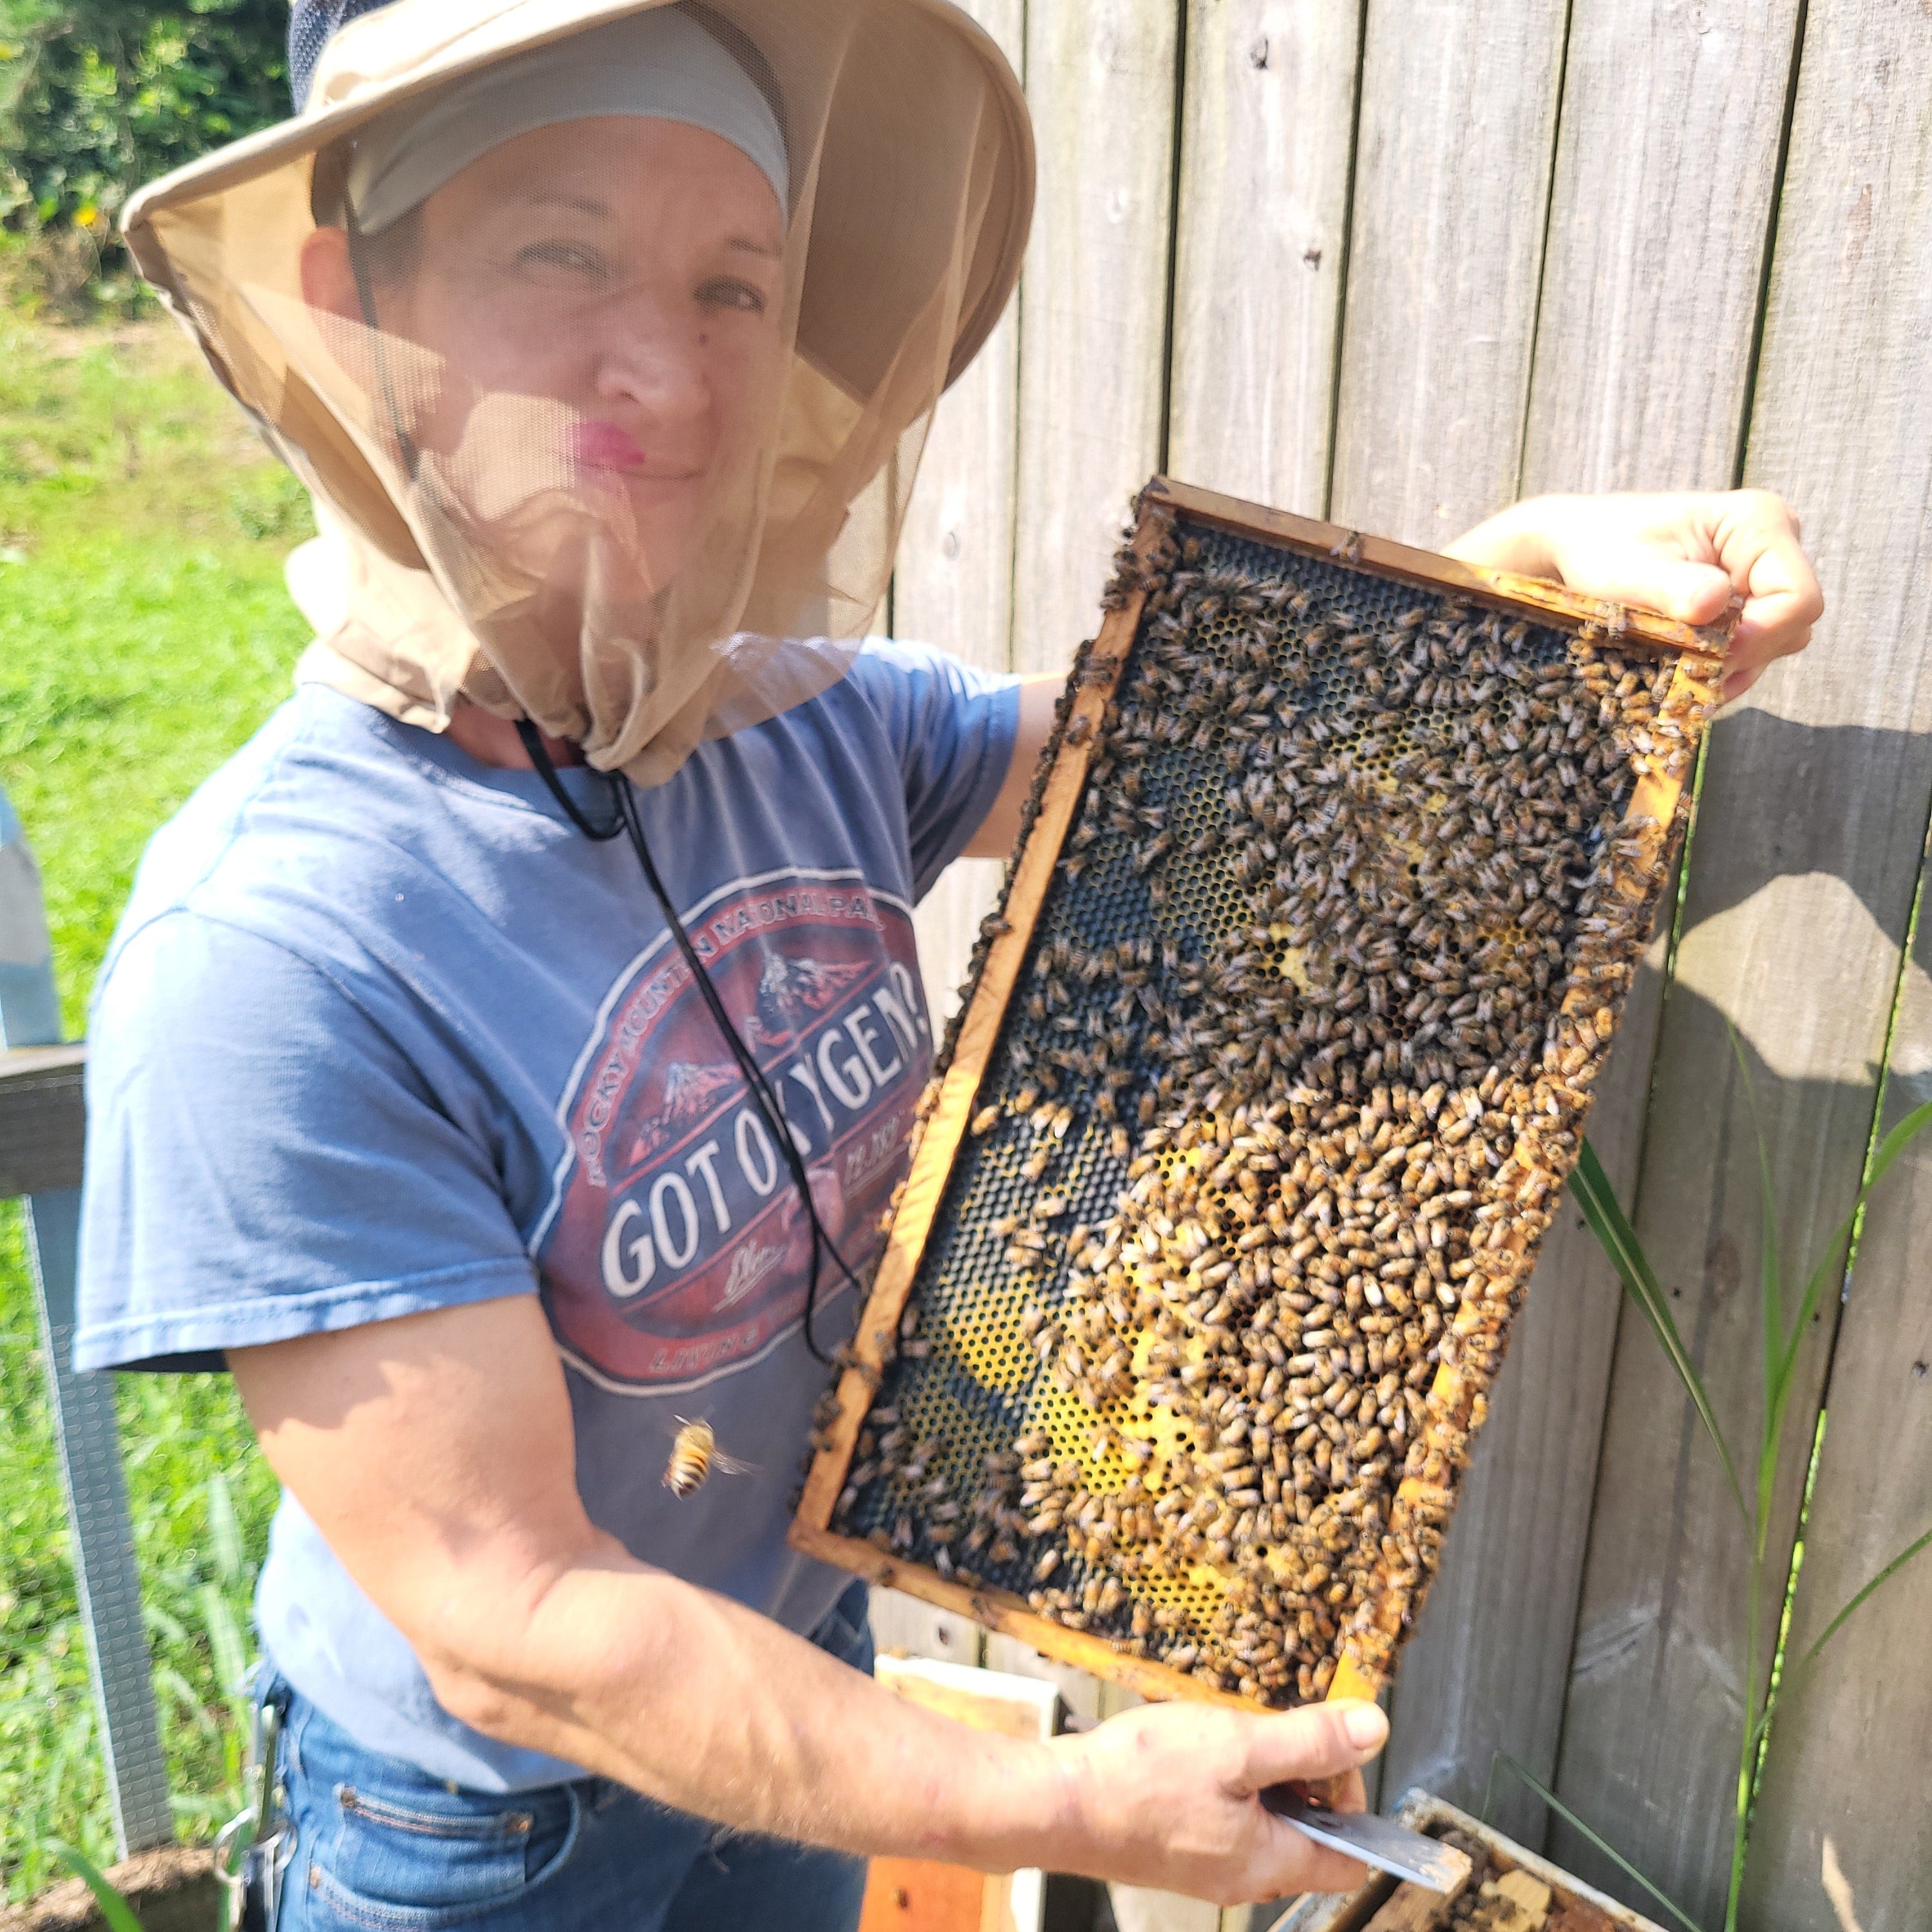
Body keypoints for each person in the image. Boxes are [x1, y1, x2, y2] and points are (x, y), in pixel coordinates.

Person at [76, 1, 1824, 1926]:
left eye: (735, 286)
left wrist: (1532, 583)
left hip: (804, 1705)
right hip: (485, 1839)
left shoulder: (806, 722)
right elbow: (521, 1624)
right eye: (557, 251)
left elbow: (1221, 743)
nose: (662, 363)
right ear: (351, 301)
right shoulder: (270, 956)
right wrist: (1067, 1806)